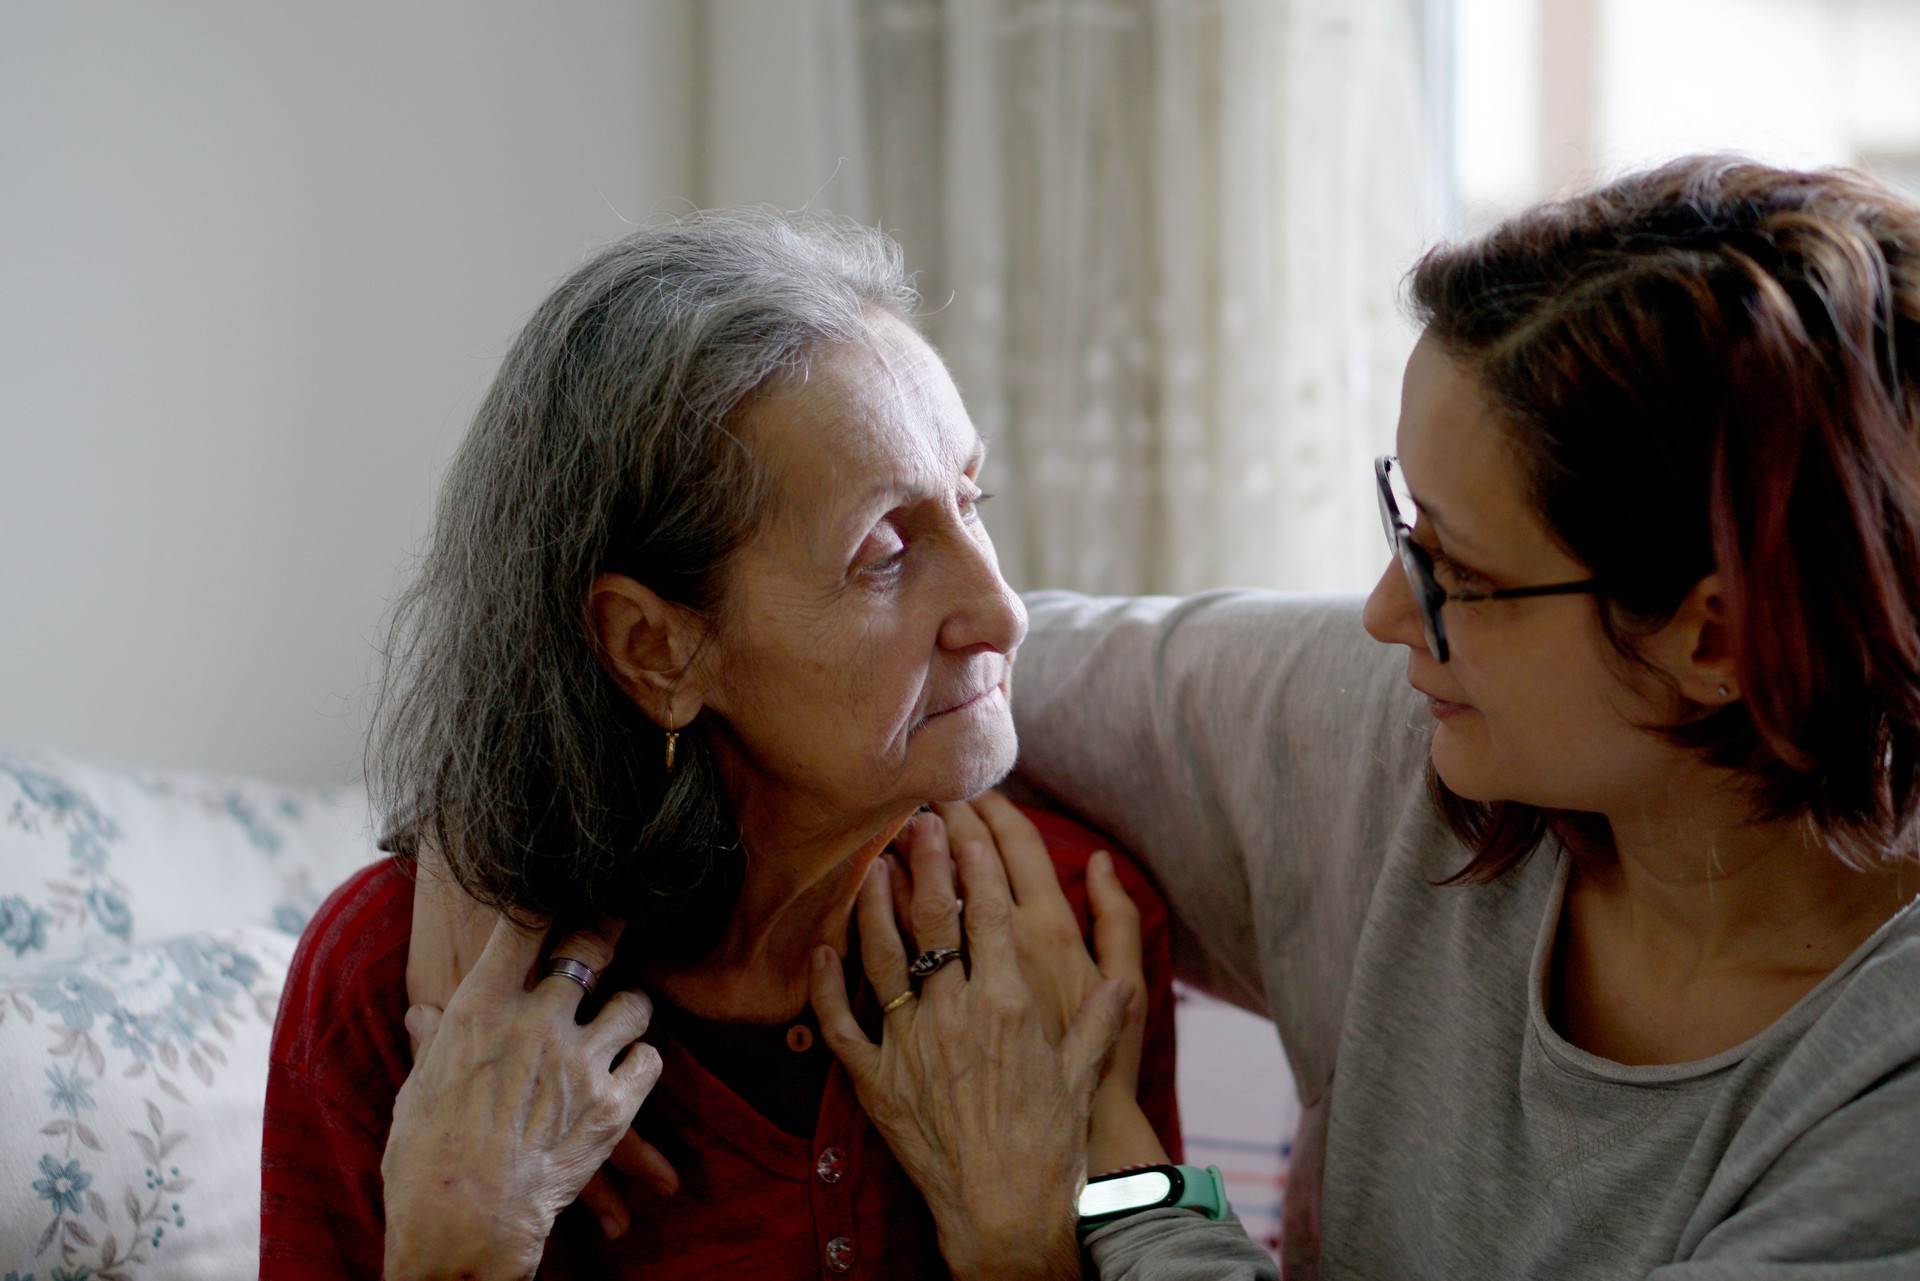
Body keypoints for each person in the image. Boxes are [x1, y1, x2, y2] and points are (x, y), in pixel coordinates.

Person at [834, 157, 1920, 1279]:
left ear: (1715, 640)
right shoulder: (1409, 733)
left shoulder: (1887, 1105)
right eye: (1403, 523)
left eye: (1458, 568)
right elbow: (953, 667)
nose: (1385, 609)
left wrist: (1109, 1158)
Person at [257, 210, 1182, 1280]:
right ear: (657, 648)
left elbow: (1155, 1219)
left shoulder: (1070, 932)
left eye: (972, 500)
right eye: (885, 550)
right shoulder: (394, 995)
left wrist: (1031, 1249)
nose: (1004, 612)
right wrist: (454, 1258)